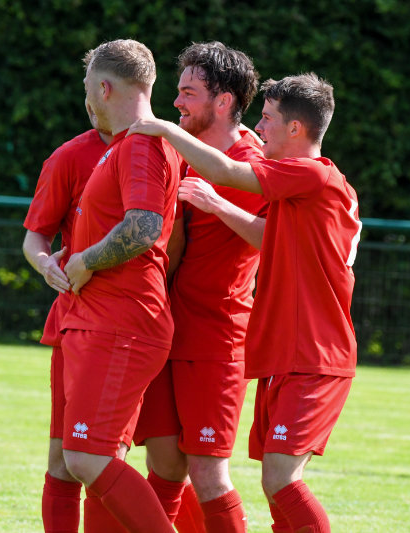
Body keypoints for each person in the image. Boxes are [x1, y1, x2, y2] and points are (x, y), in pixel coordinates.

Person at [129, 72, 361, 532]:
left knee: (280, 479)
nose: (260, 127)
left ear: (295, 128)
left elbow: (225, 171)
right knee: (276, 484)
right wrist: (219, 206)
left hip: (315, 354)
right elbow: (266, 233)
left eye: (269, 119)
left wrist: (163, 128)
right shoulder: (300, 188)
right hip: (286, 354)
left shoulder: (313, 173)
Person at [132, 41, 268, 533]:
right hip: (165, 330)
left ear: (223, 101)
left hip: (217, 336)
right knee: (165, 464)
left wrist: (218, 205)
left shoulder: (255, 161)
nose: (176, 102)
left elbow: (278, 239)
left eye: (189, 92)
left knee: (209, 472)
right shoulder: (180, 152)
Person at [58, 39, 181, 533]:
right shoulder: (133, 145)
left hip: (122, 323)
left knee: (86, 458)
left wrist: (86, 259)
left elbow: (145, 226)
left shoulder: (140, 145)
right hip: (113, 321)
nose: (87, 100)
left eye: (89, 89)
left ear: (104, 89)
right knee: (97, 456)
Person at [22, 99, 119, 531]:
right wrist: (46, 264)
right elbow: (35, 239)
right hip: (73, 321)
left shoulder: (161, 147)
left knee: (110, 459)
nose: (89, 103)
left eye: (94, 91)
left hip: (132, 327)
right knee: (63, 461)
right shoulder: (68, 156)